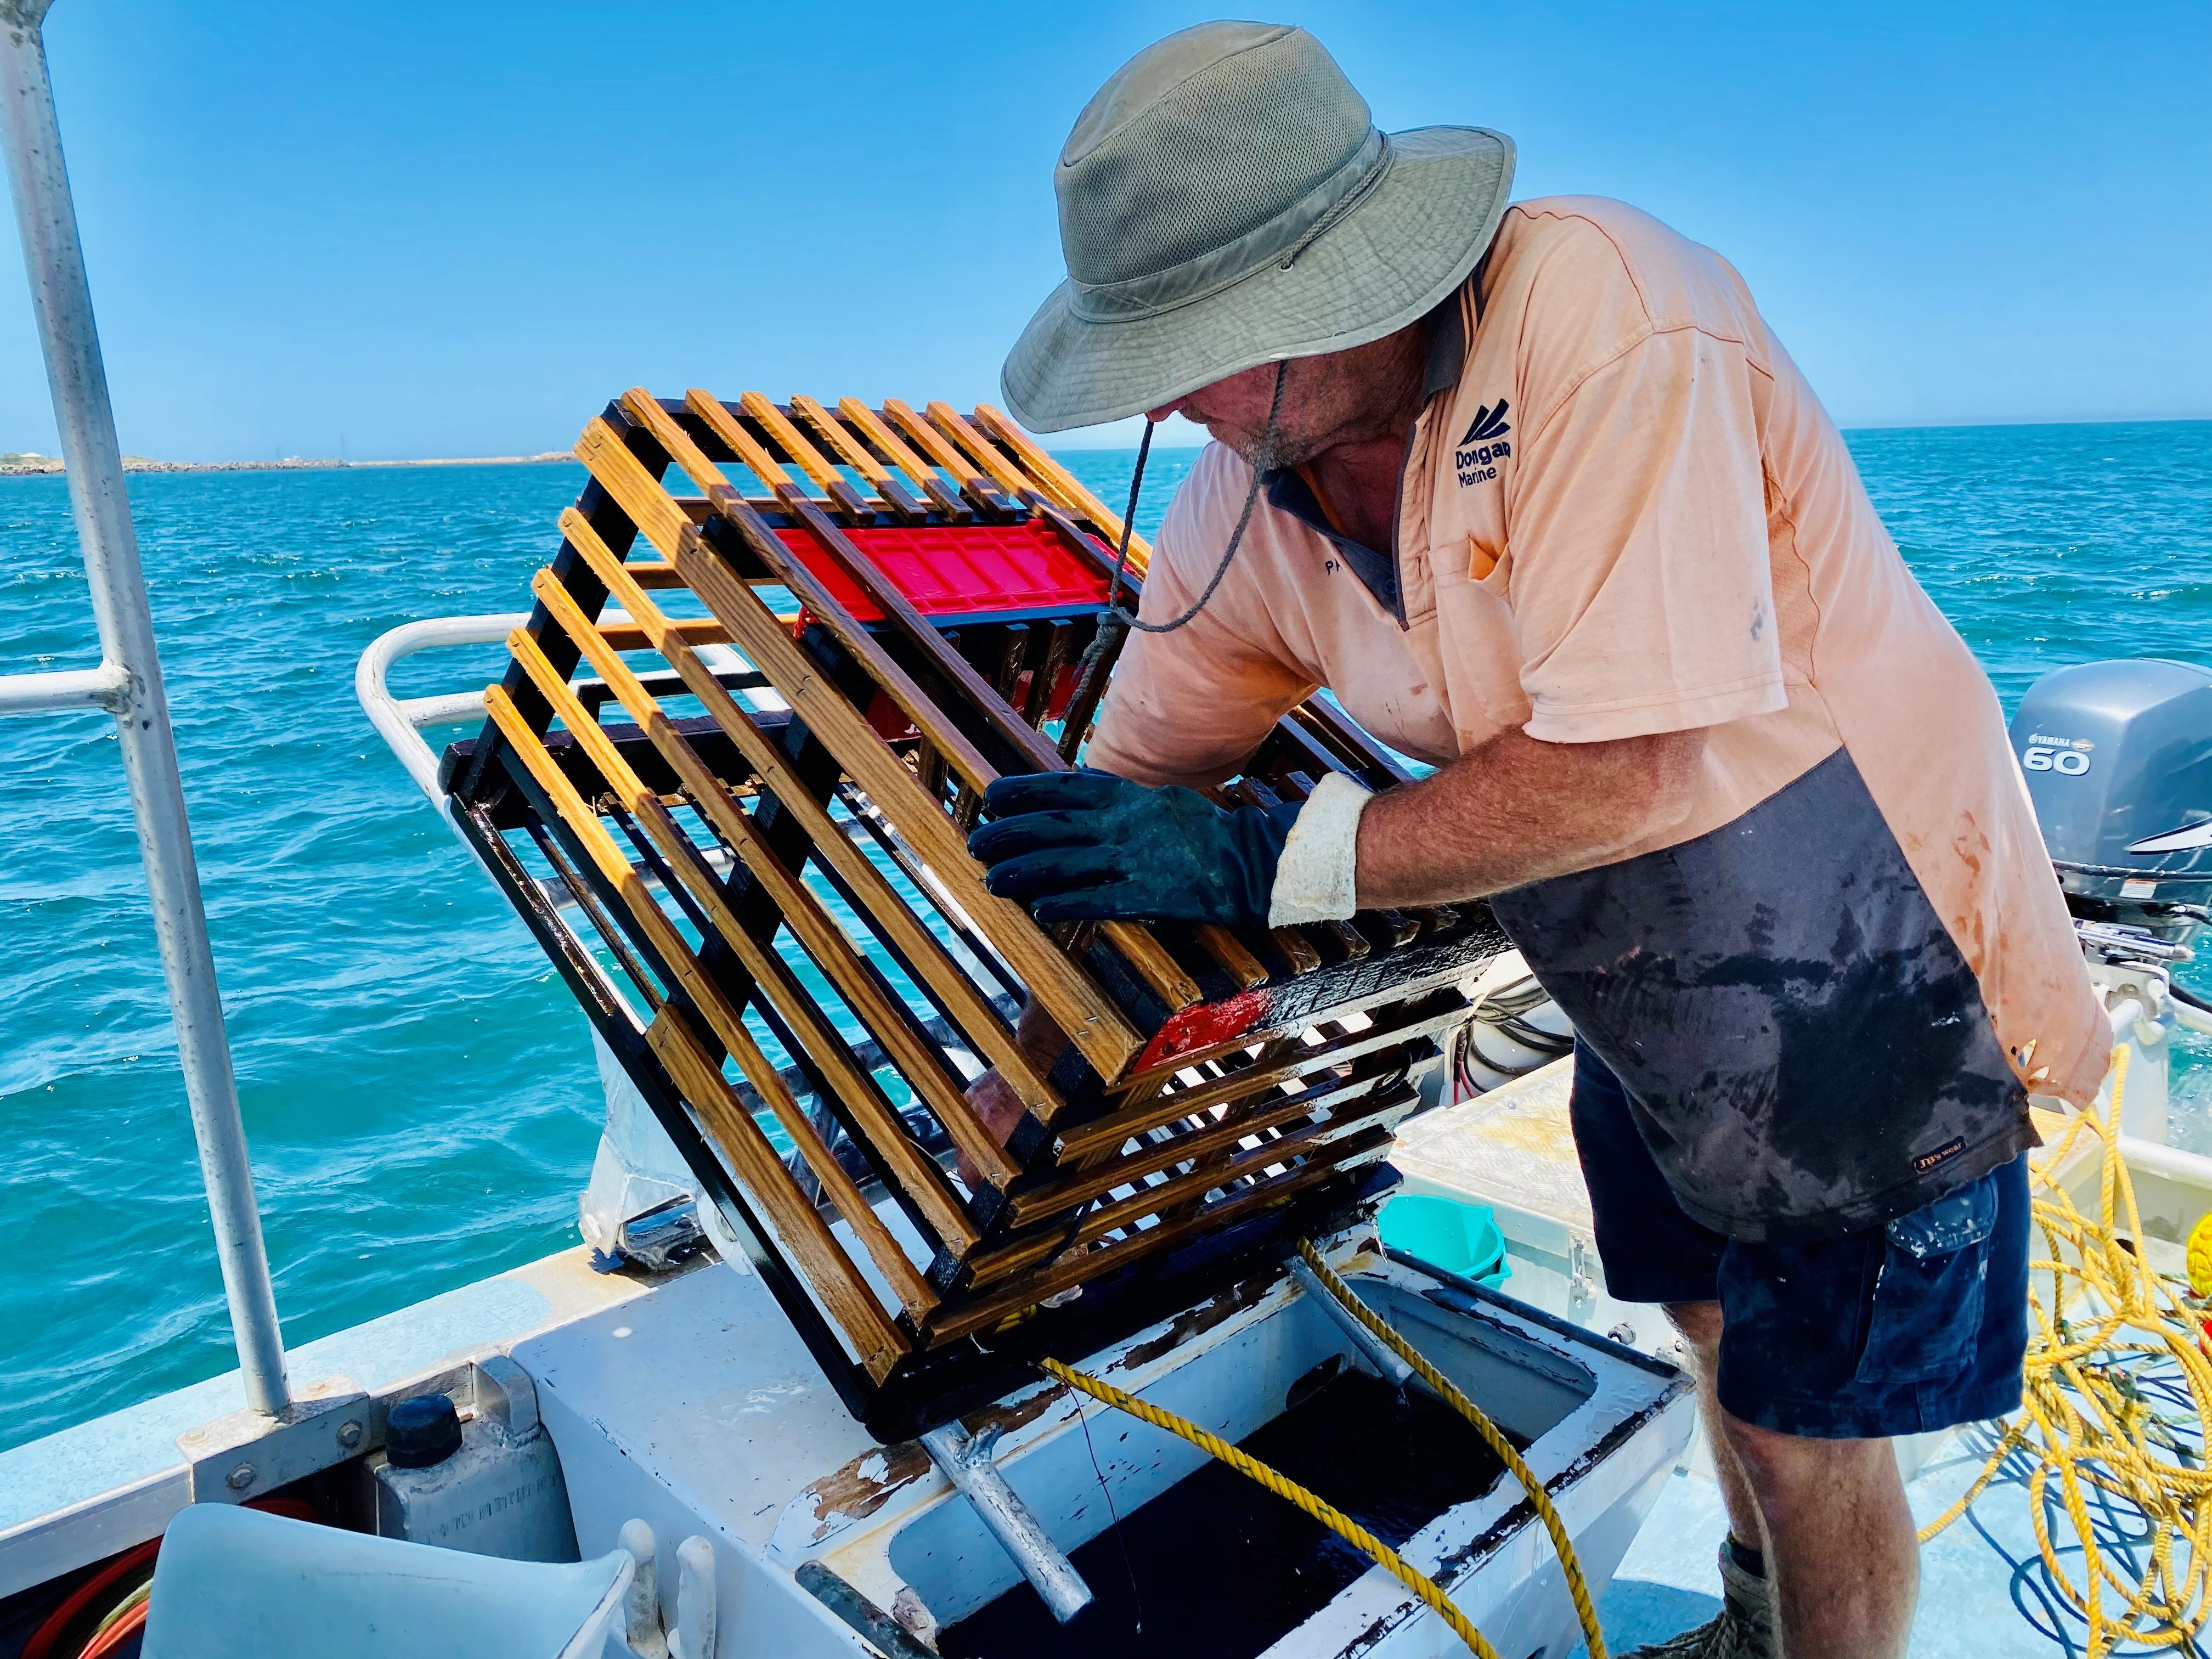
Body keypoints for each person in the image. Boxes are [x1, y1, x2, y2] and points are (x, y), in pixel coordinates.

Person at [964, 21, 2110, 1659]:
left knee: (1813, 1428)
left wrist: (1253, 865)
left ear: (1339, 288)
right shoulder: (1242, 481)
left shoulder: (1613, 317)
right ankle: (1754, 1625)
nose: (1167, 396)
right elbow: (1142, 783)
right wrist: (1034, 1061)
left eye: (1199, 343)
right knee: (1707, 1318)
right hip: (1636, 956)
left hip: (1862, 915)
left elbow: (1629, 767)